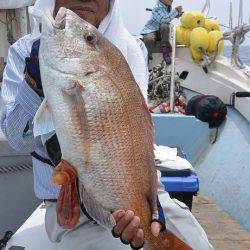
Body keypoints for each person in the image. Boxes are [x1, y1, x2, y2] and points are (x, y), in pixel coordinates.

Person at [1, 0, 213, 249]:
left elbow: (135, 137)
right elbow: (17, 138)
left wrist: (152, 209)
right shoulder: (23, 51)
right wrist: (33, 82)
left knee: (197, 243)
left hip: (139, 195)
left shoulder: (132, 49)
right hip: (69, 210)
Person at [142, 0, 183, 64]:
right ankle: (146, 58)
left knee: (165, 27)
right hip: (151, 29)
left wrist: (176, 15)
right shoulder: (157, 7)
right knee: (149, 39)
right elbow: (164, 20)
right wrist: (176, 11)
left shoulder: (167, 6)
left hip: (160, 31)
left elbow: (165, 16)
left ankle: (165, 50)